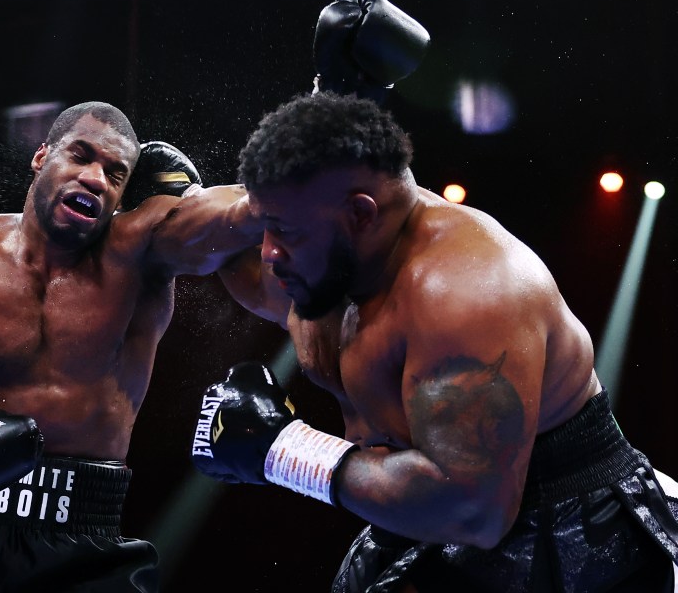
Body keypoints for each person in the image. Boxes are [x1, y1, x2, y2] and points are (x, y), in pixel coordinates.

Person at [192, 90, 678, 592]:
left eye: (282, 231)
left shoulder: (467, 292)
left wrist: (287, 450)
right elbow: (215, 246)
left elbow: (474, 514)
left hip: (564, 536)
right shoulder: (328, 257)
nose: (267, 251)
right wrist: (162, 205)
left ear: (360, 215)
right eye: (261, 225)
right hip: (421, 517)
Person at [0, 100, 265, 592]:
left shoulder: (139, 253)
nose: (96, 178)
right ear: (41, 156)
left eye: (115, 174)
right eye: (81, 156)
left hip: (80, 546)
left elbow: (243, 212)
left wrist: (325, 128)